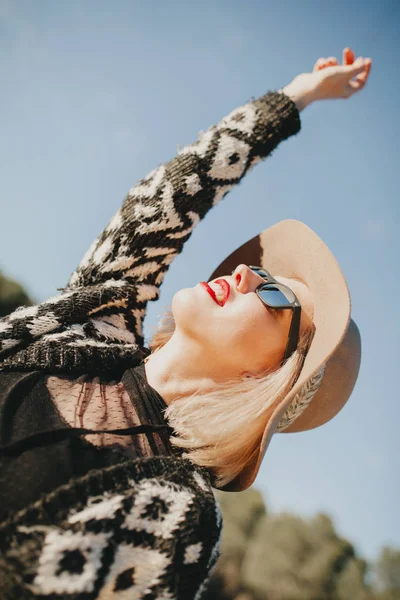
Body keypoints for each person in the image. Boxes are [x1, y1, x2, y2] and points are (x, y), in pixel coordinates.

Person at [0, 47, 371, 599]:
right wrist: (301, 94)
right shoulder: (97, 323)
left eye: (271, 292)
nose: (246, 272)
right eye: (261, 270)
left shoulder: (180, 519)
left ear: (274, 375)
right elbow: (177, 191)